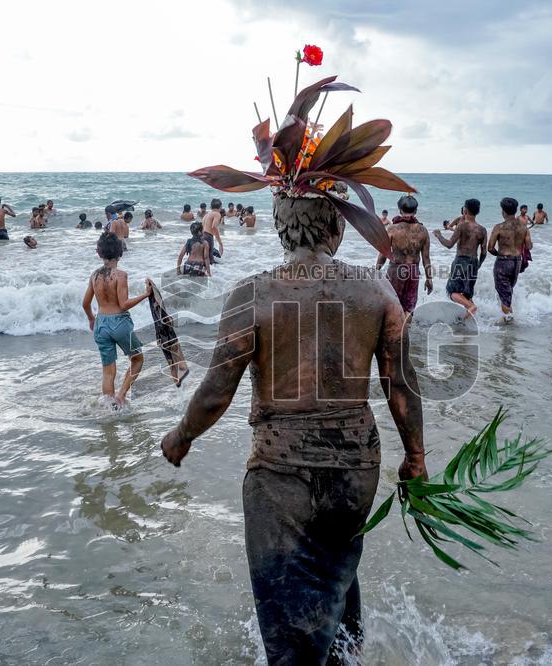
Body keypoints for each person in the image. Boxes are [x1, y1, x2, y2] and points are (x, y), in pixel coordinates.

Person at [160, 196, 427, 665]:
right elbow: (401, 385)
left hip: (280, 473)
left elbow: (216, 391)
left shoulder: (253, 294)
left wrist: (181, 437)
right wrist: (416, 458)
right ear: (336, 232)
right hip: (355, 469)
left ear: (283, 233)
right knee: (336, 573)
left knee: (288, 633)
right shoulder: (376, 292)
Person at [81, 232, 154, 408]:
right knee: (137, 359)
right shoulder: (120, 275)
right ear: (120, 252)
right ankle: (121, 396)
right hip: (120, 323)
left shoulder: (94, 276)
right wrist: (146, 294)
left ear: (99, 253)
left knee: (108, 369)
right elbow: (123, 305)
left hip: (101, 324)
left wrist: (92, 319)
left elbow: (85, 303)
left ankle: (108, 406)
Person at [376, 195, 432, 318]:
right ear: (416, 211)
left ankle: (396, 333)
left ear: (400, 210)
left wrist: (376, 270)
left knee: (393, 305)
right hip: (413, 271)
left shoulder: (392, 229)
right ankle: (405, 332)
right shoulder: (423, 231)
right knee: (409, 307)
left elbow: (383, 254)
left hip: (396, 270)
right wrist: (429, 279)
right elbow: (426, 258)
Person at [432, 198, 487, 317]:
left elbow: (449, 244)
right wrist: (478, 265)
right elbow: (484, 252)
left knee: (452, 292)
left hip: (461, 261)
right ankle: (468, 320)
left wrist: (439, 235)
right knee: (467, 294)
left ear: (465, 210)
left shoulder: (462, 226)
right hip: (474, 262)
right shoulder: (482, 230)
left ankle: (471, 307)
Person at [487, 197, 532, 318]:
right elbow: (529, 246)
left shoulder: (499, 227)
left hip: (503, 262)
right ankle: (509, 318)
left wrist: (500, 254)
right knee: (508, 292)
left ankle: (509, 325)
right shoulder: (524, 227)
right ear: (515, 210)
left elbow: (490, 248)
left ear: (503, 211)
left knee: (505, 296)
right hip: (517, 262)